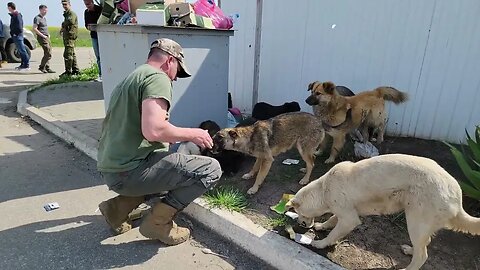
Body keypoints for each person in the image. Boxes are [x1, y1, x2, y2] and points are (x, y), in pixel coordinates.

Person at [97, 38, 222, 246]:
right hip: (129, 173)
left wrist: (171, 140)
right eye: (177, 72)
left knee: (176, 164)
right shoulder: (158, 77)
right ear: (169, 61)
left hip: (114, 168)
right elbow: (154, 130)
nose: (175, 79)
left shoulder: (132, 77)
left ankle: (116, 210)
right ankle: (158, 224)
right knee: (210, 169)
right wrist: (194, 133)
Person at [83, 0, 102, 81]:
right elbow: (86, 25)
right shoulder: (86, 12)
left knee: (104, 56)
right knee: (98, 56)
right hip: (94, 36)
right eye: (86, 4)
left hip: (102, 35)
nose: (88, 6)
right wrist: (89, 27)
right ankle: (101, 74)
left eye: (88, 4)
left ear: (92, 2)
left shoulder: (100, 9)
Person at [7, 2, 30, 70]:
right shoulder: (14, 15)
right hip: (16, 36)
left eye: (8, 7)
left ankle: (26, 64)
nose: (8, 9)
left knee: (22, 50)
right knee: (20, 50)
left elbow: (19, 27)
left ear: (10, 7)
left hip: (18, 36)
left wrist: (15, 34)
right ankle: (23, 64)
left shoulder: (17, 15)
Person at [33, 5, 55, 73]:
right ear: (40, 10)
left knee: (49, 52)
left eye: (46, 10)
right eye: (44, 10)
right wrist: (43, 36)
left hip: (46, 37)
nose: (45, 12)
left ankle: (47, 67)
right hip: (42, 37)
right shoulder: (37, 18)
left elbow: (44, 27)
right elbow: (35, 28)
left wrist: (48, 34)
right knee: (48, 52)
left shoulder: (44, 18)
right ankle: (42, 67)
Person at [60, 0, 79, 77]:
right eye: (63, 5)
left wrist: (63, 24)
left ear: (69, 4)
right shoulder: (67, 14)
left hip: (70, 37)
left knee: (68, 55)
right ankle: (75, 70)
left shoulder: (71, 14)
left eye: (65, 4)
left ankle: (68, 72)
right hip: (68, 36)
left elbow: (70, 21)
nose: (64, 6)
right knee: (72, 53)